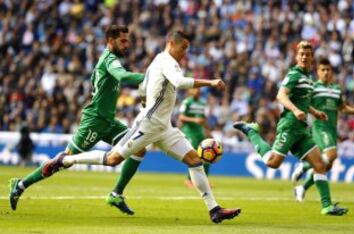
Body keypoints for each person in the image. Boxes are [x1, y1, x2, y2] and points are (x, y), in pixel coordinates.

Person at [41, 30, 241, 223]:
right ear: (171, 43)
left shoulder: (157, 61)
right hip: (149, 123)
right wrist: (211, 82)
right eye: (183, 47)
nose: (185, 52)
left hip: (164, 127)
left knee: (195, 161)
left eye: (187, 48)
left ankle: (214, 209)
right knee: (113, 159)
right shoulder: (166, 61)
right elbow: (179, 82)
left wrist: (146, 99)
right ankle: (66, 160)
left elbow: (144, 85)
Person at [9, 25, 146, 215]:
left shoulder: (109, 61)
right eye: (122, 41)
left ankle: (117, 193)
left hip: (109, 122)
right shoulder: (109, 60)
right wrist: (151, 77)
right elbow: (123, 77)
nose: (127, 45)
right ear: (110, 41)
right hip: (95, 121)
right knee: (63, 161)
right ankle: (21, 185)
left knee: (140, 147)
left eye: (127, 40)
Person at [233, 41, 348, 216]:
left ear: (311, 58)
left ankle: (326, 206)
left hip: (302, 130)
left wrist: (315, 113)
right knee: (273, 163)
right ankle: (252, 132)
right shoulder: (294, 74)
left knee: (319, 164)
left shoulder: (308, 78)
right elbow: (281, 95)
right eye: (301, 54)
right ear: (296, 56)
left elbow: (304, 102)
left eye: (307, 55)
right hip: (289, 125)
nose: (304, 57)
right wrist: (294, 110)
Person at [291, 58, 354, 201]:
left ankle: (302, 188)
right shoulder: (314, 87)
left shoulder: (336, 89)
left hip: (332, 129)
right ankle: (303, 166)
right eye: (323, 70)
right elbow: (304, 103)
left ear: (332, 72)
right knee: (332, 154)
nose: (326, 73)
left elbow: (341, 107)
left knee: (325, 167)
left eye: (328, 70)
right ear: (318, 72)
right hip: (319, 127)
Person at [179, 88, 212, 188]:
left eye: (198, 89)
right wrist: (194, 120)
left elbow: (203, 119)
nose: (197, 91)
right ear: (190, 91)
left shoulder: (202, 103)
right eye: (195, 89)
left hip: (200, 132)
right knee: (194, 155)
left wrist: (208, 131)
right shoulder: (187, 102)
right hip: (189, 131)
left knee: (207, 155)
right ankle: (190, 180)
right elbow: (181, 117)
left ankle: (205, 181)